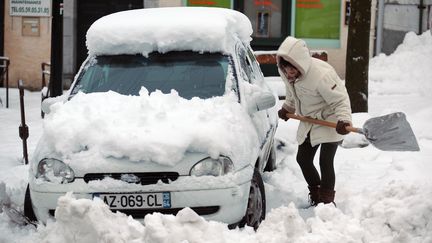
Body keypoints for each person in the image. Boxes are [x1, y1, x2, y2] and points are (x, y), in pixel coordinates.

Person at [276, 36, 352, 206]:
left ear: (300, 64)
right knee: (303, 159)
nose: (289, 74)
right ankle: (316, 193)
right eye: (286, 70)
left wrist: (344, 119)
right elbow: (292, 92)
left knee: (325, 161)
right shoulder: (285, 72)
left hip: (331, 120)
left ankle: (326, 201)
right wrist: (288, 107)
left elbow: (340, 100)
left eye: (293, 70)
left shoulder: (321, 75)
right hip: (309, 120)